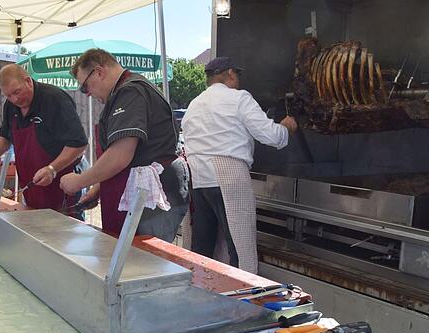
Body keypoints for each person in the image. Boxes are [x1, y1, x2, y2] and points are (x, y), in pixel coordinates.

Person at [182, 57, 298, 273]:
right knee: (239, 247)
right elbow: (270, 136)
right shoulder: (239, 99)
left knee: (203, 248)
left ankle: (201, 293)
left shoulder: (194, 104)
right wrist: (286, 127)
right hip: (228, 173)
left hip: (198, 179)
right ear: (231, 74)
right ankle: (241, 298)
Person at [61, 49, 190, 241]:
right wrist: (97, 188)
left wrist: (78, 182)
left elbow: (121, 155)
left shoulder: (130, 92)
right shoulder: (125, 92)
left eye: (85, 86)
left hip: (153, 198)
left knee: (145, 263)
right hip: (142, 194)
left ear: (99, 72)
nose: (87, 94)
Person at [0, 64, 87, 213]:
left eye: (17, 92)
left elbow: (79, 143)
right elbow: (5, 135)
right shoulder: (11, 106)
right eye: (8, 96)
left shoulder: (55, 100)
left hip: (61, 186)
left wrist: (52, 169)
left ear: (28, 81)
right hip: (32, 187)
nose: (14, 99)